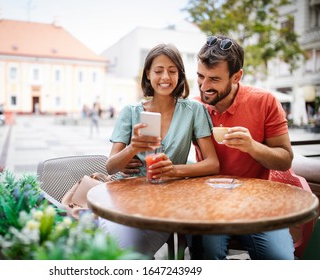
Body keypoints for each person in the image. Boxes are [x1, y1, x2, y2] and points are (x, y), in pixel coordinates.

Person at [99, 43, 219, 259]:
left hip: (169, 201)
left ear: (180, 75)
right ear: (147, 74)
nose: (165, 77)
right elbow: (111, 166)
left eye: (172, 71)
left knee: (132, 251)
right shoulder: (131, 112)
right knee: (115, 248)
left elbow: (212, 163)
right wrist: (133, 148)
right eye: (158, 70)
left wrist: (174, 170)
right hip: (130, 199)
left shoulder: (194, 110)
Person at [192, 34, 295, 260]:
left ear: (237, 76)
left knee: (282, 260)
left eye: (214, 79)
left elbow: (285, 159)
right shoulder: (195, 106)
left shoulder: (265, 101)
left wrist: (252, 147)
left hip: (257, 201)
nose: (204, 86)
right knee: (209, 253)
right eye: (200, 76)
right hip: (210, 202)